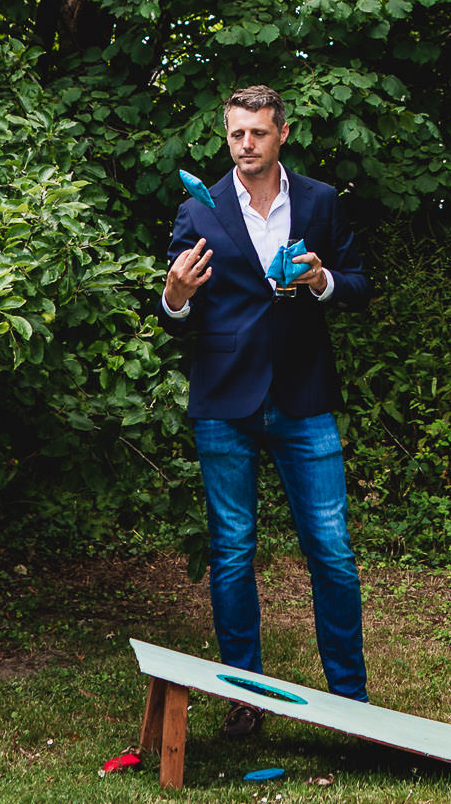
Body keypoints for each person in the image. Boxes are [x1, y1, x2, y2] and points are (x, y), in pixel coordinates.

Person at [158, 83, 372, 731]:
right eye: (234, 134)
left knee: (331, 549)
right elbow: (174, 314)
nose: (244, 144)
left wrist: (321, 279)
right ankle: (243, 696)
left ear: (282, 132)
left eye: (256, 132)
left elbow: (360, 283)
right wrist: (174, 295)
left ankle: (351, 701)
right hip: (226, 400)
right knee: (232, 550)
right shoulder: (199, 209)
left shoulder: (319, 200)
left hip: (304, 398)